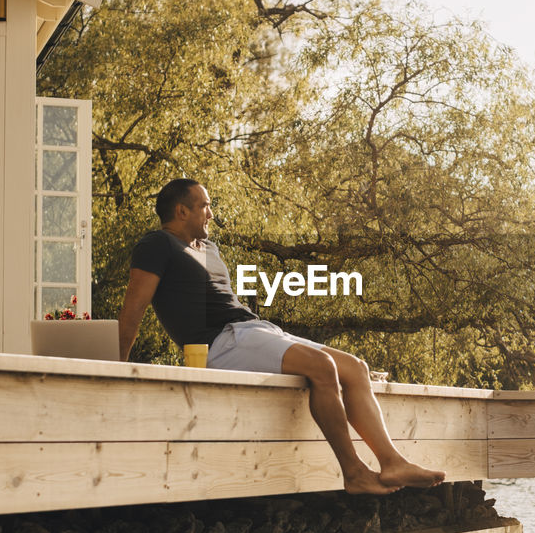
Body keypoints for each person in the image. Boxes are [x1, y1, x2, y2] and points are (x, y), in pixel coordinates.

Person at [118, 178, 445, 495]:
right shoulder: (157, 245)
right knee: (322, 366)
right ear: (181, 211)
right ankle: (354, 472)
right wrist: (119, 364)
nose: (211, 213)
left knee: (355, 368)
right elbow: (134, 307)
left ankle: (392, 462)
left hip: (252, 329)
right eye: (204, 206)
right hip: (219, 341)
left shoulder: (209, 248)